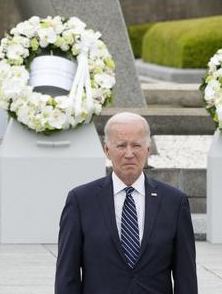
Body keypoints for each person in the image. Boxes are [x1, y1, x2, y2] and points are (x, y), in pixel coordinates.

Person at [55, 111, 197, 294]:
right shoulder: (81, 201)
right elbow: (67, 274)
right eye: (121, 145)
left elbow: (186, 275)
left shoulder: (174, 202)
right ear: (107, 150)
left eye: (136, 145)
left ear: (148, 150)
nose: (129, 153)